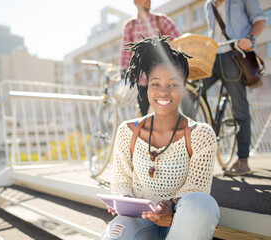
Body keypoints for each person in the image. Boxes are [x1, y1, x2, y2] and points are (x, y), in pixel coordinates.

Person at [102, 35, 220, 240]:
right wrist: (124, 201)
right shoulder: (127, 131)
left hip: (183, 223)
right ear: (147, 87)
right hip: (139, 220)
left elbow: (196, 189)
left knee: (203, 204)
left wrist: (170, 207)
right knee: (115, 232)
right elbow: (120, 181)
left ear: (184, 89)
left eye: (173, 84)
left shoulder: (201, 135)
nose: (163, 92)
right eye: (155, 84)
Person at [204, 0, 267, 176]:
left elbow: (260, 20)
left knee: (240, 108)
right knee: (192, 92)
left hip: (234, 56)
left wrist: (250, 38)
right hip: (212, 58)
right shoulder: (209, 5)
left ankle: (243, 161)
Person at [120, 0, 181, 117]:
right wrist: (123, 72)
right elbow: (125, 52)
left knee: (166, 117)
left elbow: (179, 42)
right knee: (146, 120)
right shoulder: (130, 26)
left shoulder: (161, 20)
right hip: (142, 82)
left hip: (164, 79)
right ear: (135, 2)